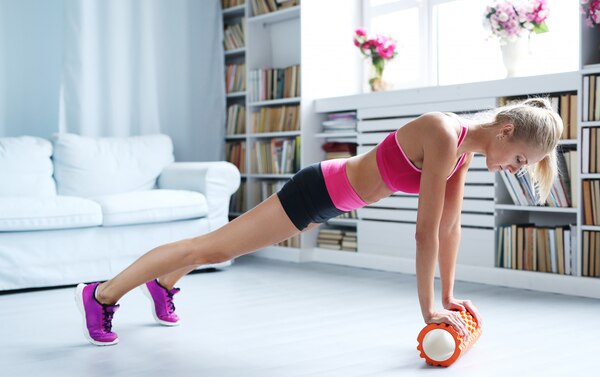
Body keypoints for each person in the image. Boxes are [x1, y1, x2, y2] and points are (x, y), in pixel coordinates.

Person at [75, 97, 563, 346]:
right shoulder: (443, 132)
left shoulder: (463, 153)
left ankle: (163, 284)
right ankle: (101, 294)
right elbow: (423, 230)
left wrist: (450, 296)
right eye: (520, 158)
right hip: (317, 191)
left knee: (222, 247)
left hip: (334, 201)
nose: (514, 169)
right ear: (505, 131)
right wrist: (427, 308)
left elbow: (449, 228)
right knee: (214, 248)